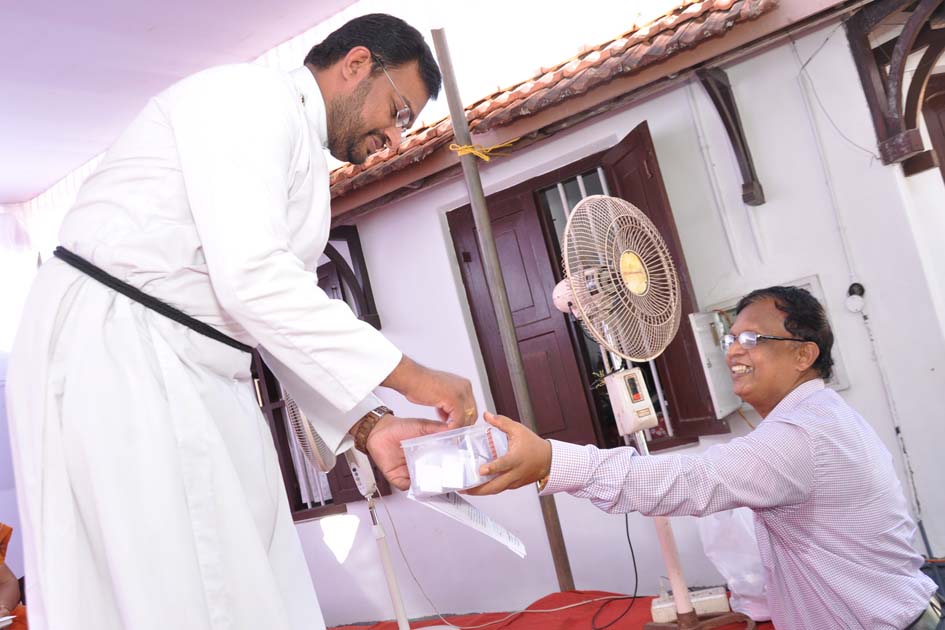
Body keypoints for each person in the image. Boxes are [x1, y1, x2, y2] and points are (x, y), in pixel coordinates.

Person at [6, 13, 476, 630]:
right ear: (357, 63)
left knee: (238, 578)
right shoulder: (247, 97)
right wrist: (414, 376)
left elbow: (275, 316)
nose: (393, 138)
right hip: (119, 348)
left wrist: (370, 425)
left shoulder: (295, 150)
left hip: (185, 358)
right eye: (397, 111)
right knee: (179, 584)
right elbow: (252, 280)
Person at [469, 286, 940, 630]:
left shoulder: (801, 435)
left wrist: (551, 460)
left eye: (752, 339)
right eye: (729, 339)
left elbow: (688, 481)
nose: (733, 352)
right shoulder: (819, 416)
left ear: (803, 355)